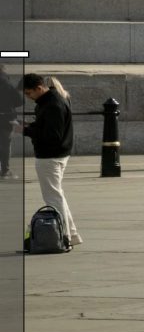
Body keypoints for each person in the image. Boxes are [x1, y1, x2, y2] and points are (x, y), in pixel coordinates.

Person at [20, 75, 78, 248]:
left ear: (39, 88)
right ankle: (71, 234)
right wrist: (29, 127)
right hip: (56, 155)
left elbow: (52, 136)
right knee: (57, 195)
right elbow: (46, 127)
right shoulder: (52, 101)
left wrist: (24, 130)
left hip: (49, 157)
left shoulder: (52, 105)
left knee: (53, 198)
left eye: (29, 93)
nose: (28, 97)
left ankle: (64, 237)